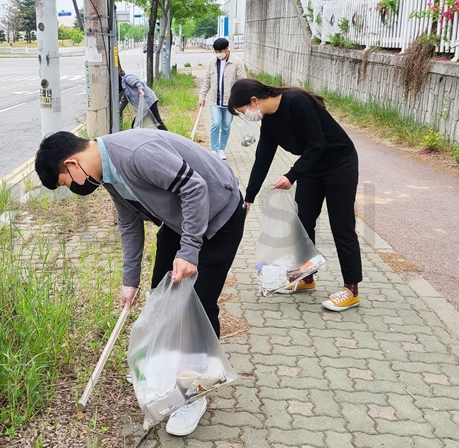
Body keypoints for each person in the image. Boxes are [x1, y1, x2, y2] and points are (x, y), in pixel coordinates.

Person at [35, 128, 246, 436]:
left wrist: (189, 251)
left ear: (71, 164)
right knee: (161, 300)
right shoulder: (108, 173)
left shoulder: (135, 154)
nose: (73, 188)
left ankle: (194, 391)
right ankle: (167, 372)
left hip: (219, 216)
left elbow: (195, 188)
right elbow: (129, 223)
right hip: (180, 219)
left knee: (197, 305)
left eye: (66, 184)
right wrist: (129, 280)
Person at [227, 78, 363, 312]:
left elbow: (317, 143)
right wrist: (248, 197)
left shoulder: (296, 102)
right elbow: (262, 159)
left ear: (254, 100)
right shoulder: (269, 121)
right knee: (302, 224)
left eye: (242, 111)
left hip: (339, 163)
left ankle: (351, 290)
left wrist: (291, 175)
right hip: (311, 167)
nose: (245, 116)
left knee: (342, 226)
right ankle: (307, 277)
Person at [198, 38, 246, 160]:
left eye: (221, 50)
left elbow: (242, 82)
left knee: (226, 126)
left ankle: (221, 149)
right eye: (216, 51)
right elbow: (207, 81)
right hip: (215, 99)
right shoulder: (212, 62)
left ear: (227, 49)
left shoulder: (237, 62)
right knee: (215, 123)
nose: (219, 53)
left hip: (230, 101)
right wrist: (202, 96)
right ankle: (213, 150)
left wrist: (242, 100)